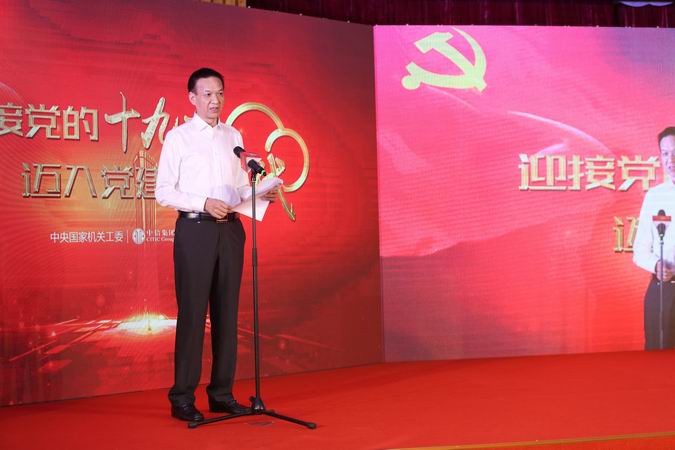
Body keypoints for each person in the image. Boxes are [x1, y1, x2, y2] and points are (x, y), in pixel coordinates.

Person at [156, 67, 277, 422]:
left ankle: (222, 394)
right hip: (195, 230)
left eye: (220, 93)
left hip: (230, 231)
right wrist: (203, 202)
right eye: (207, 94)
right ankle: (182, 398)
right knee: (193, 315)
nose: (215, 100)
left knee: (227, 314)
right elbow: (163, 191)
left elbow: (237, 189)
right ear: (192, 98)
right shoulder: (178, 138)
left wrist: (262, 191)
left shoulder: (233, 136)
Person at [633, 126, 675, 350]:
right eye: (665, 153)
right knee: (658, 359)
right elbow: (640, 250)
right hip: (663, 290)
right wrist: (656, 265)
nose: (671, 160)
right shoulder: (654, 196)